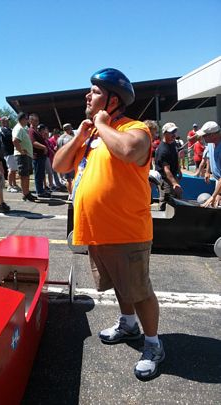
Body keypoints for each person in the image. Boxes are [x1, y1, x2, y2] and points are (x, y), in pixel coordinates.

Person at [53, 68, 164, 380]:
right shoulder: (90, 136)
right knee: (118, 283)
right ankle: (129, 324)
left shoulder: (136, 128)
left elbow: (130, 151)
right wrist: (79, 135)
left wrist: (102, 125)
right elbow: (60, 164)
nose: (87, 96)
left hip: (127, 230)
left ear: (113, 100)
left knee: (139, 290)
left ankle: (154, 344)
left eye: (95, 92)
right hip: (98, 232)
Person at [155, 122, 182, 210]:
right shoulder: (163, 150)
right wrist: (174, 184)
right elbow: (166, 170)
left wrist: (179, 170)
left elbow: (176, 156)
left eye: (175, 131)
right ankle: (163, 221)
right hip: (164, 179)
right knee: (167, 200)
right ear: (164, 133)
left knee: (177, 198)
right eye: (171, 132)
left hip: (173, 176)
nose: (174, 134)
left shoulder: (173, 143)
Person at [196, 121, 221, 208]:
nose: (202, 137)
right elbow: (210, 157)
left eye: (204, 135)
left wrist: (215, 195)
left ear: (213, 135)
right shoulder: (210, 143)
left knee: (216, 201)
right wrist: (207, 171)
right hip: (218, 180)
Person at [12, 112, 36, 202]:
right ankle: (25, 194)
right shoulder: (18, 128)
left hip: (26, 156)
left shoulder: (22, 128)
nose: (27, 121)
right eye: (26, 119)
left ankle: (27, 193)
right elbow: (15, 140)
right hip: (22, 156)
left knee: (26, 176)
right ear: (22, 119)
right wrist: (21, 151)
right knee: (24, 176)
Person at [28, 113, 50, 198]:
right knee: (38, 174)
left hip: (41, 156)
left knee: (41, 174)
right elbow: (33, 143)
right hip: (37, 156)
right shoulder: (31, 131)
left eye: (38, 120)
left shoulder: (35, 130)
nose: (37, 122)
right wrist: (44, 147)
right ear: (30, 121)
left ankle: (41, 191)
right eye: (35, 120)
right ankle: (40, 192)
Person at [0, 117, 19, 192]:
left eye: (8, 121)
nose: (8, 122)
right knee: (10, 169)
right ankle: (9, 186)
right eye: (6, 121)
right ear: (3, 122)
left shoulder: (10, 129)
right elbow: (8, 137)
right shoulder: (2, 129)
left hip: (13, 151)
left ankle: (14, 184)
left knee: (14, 169)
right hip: (8, 152)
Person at [57, 123, 75, 199]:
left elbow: (58, 149)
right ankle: (74, 193)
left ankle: (70, 194)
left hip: (63, 160)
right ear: (69, 129)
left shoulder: (59, 138)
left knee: (68, 179)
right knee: (73, 178)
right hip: (71, 160)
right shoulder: (71, 138)